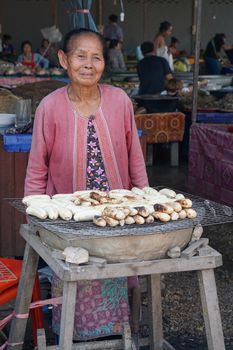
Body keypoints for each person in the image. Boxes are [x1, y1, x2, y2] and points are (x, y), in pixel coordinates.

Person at [24, 28, 148, 341]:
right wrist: (34, 215)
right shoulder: (49, 108)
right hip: (69, 222)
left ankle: (119, 338)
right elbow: (37, 167)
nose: (88, 64)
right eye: (81, 56)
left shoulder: (119, 101)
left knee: (115, 275)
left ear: (105, 64)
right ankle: (74, 339)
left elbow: (135, 158)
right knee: (75, 278)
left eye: (96, 57)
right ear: (64, 59)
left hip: (116, 218)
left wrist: (144, 203)